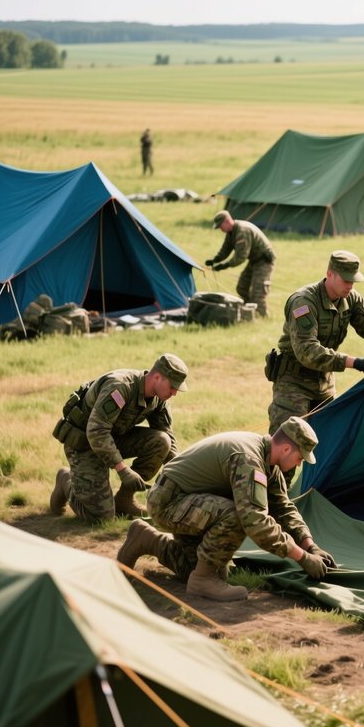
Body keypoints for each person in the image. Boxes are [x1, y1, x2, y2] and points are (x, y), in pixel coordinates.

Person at [116, 417, 336, 602]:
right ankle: (202, 582)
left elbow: (283, 508)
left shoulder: (267, 461)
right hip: (169, 502)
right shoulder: (248, 460)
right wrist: (301, 557)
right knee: (238, 516)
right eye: (299, 458)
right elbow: (255, 522)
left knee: (202, 569)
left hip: (187, 503)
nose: (299, 465)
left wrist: (310, 545)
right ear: (286, 448)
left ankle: (147, 539)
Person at [266, 251, 364, 440]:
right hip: (293, 384)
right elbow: (306, 351)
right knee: (286, 447)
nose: (350, 286)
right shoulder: (304, 303)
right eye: (346, 280)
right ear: (330, 274)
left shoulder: (351, 298)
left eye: (353, 281)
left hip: (323, 384)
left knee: (327, 444)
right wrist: (355, 362)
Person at [50, 353, 188, 522]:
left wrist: (182, 475)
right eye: (172, 386)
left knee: (162, 441)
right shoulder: (120, 387)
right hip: (84, 444)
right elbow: (96, 431)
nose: (174, 393)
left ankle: (124, 499)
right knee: (101, 517)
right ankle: (65, 481)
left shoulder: (159, 398)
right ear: (157, 377)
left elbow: (167, 434)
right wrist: (123, 469)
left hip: (113, 440)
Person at [205, 210, 276, 317]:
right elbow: (226, 249)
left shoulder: (242, 231)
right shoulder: (231, 232)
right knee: (242, 287)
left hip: (264, 261)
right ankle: (249, 312)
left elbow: (241, 257)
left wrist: (224, 265)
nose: (220, 229)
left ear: (227, 221)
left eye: (220, 226)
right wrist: (215, 260)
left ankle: (262, 316)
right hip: (254, 261)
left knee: (258, 293)